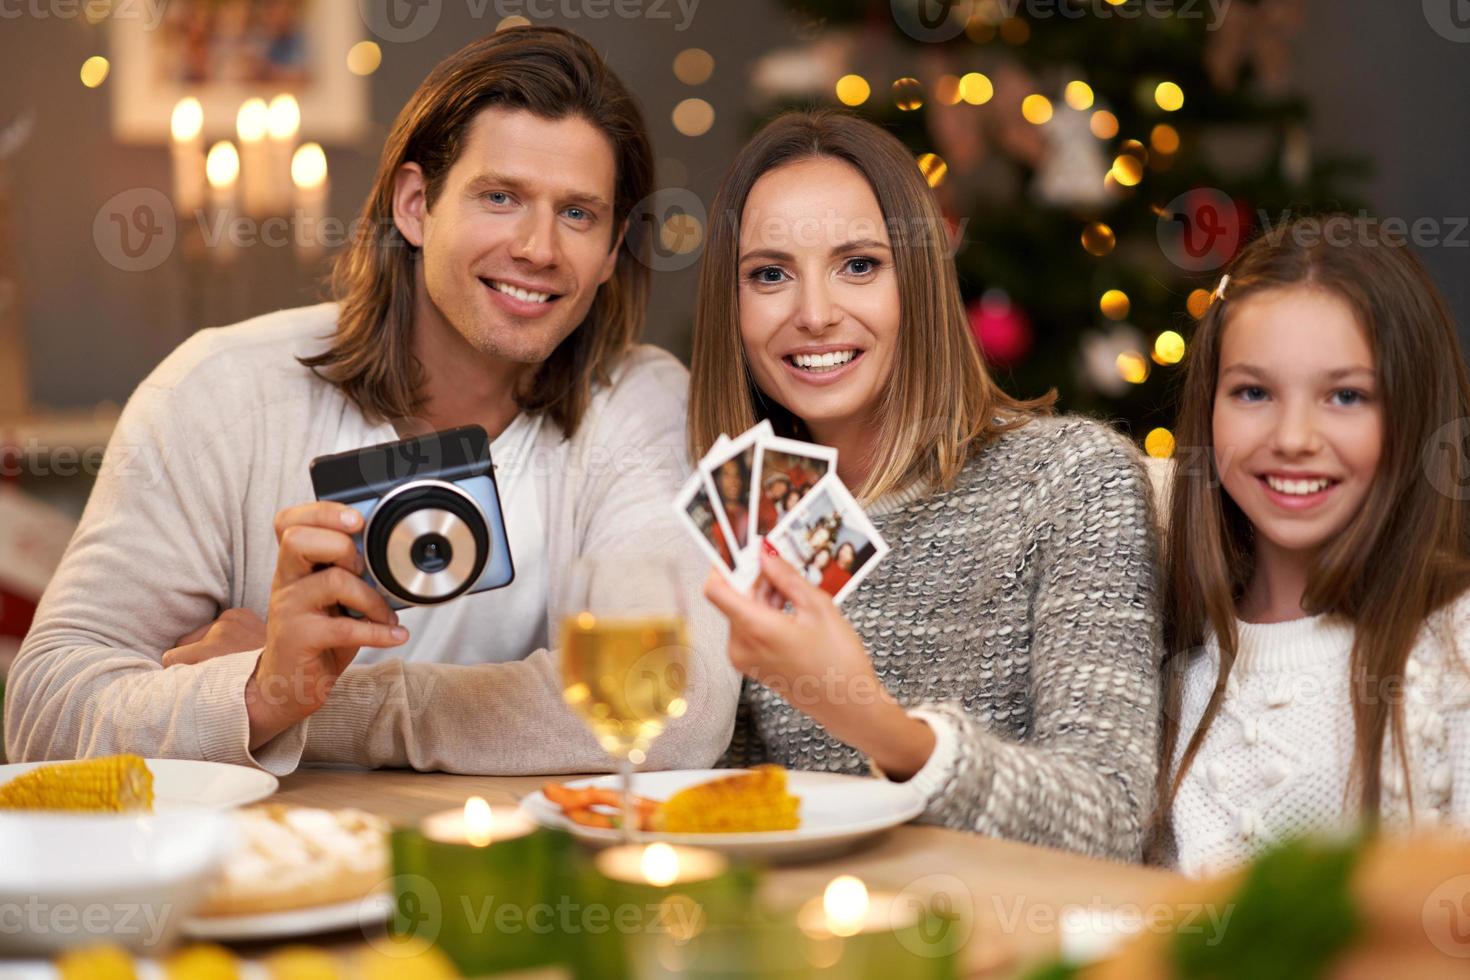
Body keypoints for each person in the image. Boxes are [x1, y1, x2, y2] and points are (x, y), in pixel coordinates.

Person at [4, 28, 737, 775]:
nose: (538, 248)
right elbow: (45, 713)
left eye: (578, 214)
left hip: (537, 876)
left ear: (613, 250)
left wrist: (305, 704)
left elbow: (675, 708)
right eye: (500, 196)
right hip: (279, 877)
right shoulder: (221, 393)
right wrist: (263, 690)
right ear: (416, 205)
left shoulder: (642, 405)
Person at [688, 109, 1162, 860]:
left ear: (920, 284)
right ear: (733, 305)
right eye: (770, 274)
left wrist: (875, 722)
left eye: (860, 265)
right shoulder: (745, 501)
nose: (814, 315)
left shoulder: (1069, 479)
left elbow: (1109, 817)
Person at [1153, 217, 1470, 876]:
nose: (1293, 436)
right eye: (1253, 392)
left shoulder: (1453, 645)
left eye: (1345, 395)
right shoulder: (1165, 651)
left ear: (1412, 413)